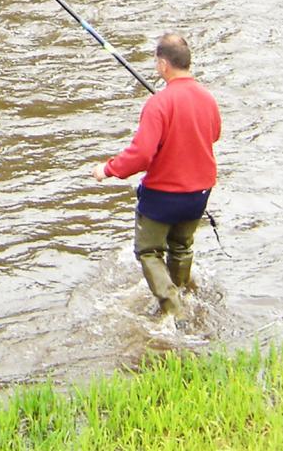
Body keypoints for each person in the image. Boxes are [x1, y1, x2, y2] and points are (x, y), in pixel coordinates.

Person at [92, 33, 221, 319]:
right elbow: (213, 135)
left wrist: (108, 168)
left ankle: (174, 310)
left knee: (149, 251)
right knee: (181, 246)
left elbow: (141, 155)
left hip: (164, 195)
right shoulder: (208, 98)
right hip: (199, 193)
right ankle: (181, 291)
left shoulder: (159, 104)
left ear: (164, 65)